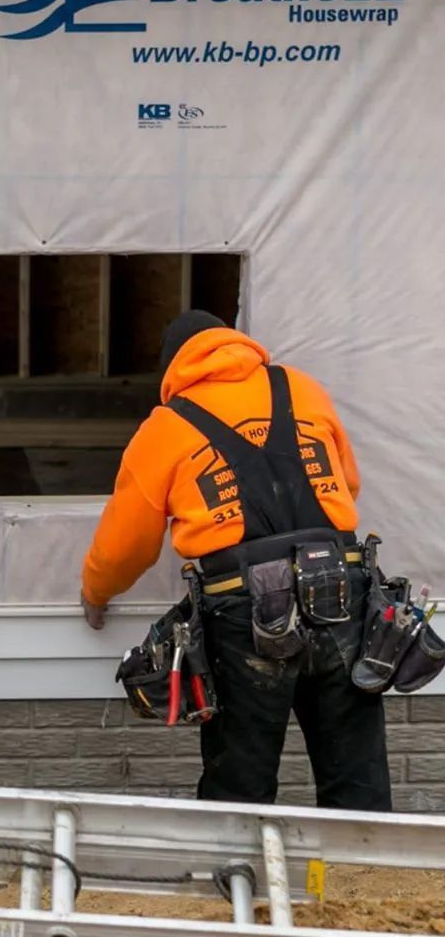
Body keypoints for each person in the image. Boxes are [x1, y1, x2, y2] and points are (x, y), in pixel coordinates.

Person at [80, 310, 391, 811]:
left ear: (173, 368)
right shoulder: (302, 390)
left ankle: (238, 881)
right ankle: (362, 882)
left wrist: (95, 593)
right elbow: (345, 483)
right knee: (355, 771)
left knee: (241, 777)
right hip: (340, 591)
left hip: (244, 611)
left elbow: (126, 547)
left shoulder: (167, 426)